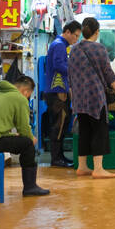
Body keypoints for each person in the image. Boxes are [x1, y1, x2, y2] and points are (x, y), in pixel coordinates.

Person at [68, 16, 115, 179]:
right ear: (97, 32)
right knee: (99, 130)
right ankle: (98, 169)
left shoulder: (74, 49)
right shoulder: (99, 49)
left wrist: (73, 96)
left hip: (79, 97)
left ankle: (82, 166)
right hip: (95, 96)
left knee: (84, 131)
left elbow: (69, 74)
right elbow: (108, 73)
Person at [40, 20, 80, 168]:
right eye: (75, 36)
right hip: (57, 92)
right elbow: (58, 65)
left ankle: (60, 156)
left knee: (61, 125)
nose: (76, 40)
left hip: (59, 91)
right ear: (67, 32)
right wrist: (74, 69)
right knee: (59, 124)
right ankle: (56, 159)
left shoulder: (60, 45)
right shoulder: (59, 45)